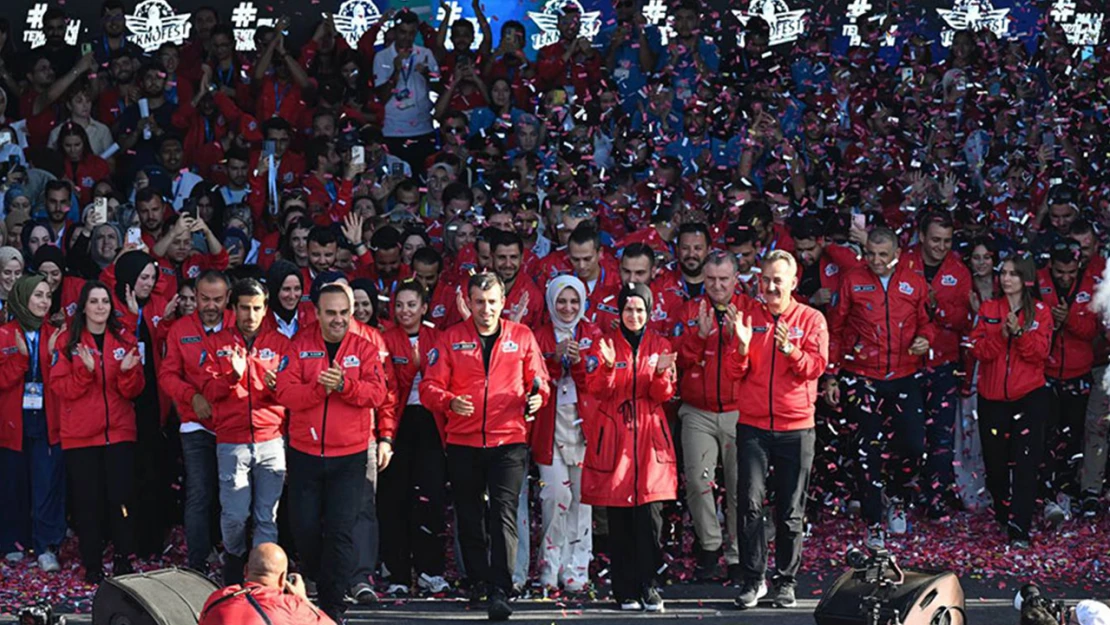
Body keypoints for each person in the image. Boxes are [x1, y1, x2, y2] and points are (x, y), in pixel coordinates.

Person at [421, 273, 550, 621]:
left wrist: (536, 399)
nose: (486, 309)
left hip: (509, 440)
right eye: (479, 302)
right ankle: (477, 580)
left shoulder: (522, 336)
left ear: (503, 302)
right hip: (463, 441)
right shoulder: (451, 338)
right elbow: (429, 388)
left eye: (492, 302)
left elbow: (540, 383)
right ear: (469, 302)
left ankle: (501, 587)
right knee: (469, 514)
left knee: (503, 514)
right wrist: (449, 402)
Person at [276, 282, 389, 622]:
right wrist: (319, 390)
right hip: (305, 452)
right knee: (306, 528)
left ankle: (332, 608)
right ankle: (317, 577)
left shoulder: (366, 347)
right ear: (317, 313)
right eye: (331, 313)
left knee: (341, 531)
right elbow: (285, 392)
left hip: (350, 455)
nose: (338, 320)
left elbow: (377, 394)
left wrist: (344, 386)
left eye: (344, 312)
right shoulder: (299, 344)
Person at [729, 251, 827, 609]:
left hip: (796, 427)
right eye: (765, 279)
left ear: (793, 283)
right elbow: (733, 372)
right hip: (753, 426)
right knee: (750, 503)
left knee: (790, 511)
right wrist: (740, 346)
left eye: (778, 280)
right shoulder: (747, 317)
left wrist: (790, 350)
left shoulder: (812, 318)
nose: (770, 286)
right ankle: (754, 579)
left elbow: (816, 366)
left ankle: (786, 581)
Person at [827, 227, 934, 547]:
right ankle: (873, 521)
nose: (876, 260)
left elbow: (928, 322)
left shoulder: (914, 281)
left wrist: (925, 339)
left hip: (904, 374)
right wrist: (831, 374)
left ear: (898, 254)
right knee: (866, 447)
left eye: (883, 255)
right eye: (871, 254)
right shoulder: (851, 280)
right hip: (861, 375)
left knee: (914, 445)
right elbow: (835, 327)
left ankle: (898, 498)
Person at [581, 282, 677, 612]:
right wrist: (607, 367)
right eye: (628, 309)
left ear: (649, 313)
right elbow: (596, 388)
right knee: (619, 519)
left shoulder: (659, 344)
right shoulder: (604, 344)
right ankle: (624, 590)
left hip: (650, 439)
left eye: (640, 310)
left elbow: (663, 395)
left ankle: (650, 585)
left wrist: (662, 373)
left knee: (650, 519)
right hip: (615, 438)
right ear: (619, 312)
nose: (633, 315)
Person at [50, 280, 144, 582]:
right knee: (87, 502)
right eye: (94, 301)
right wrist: (85, 371)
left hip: (119, 433)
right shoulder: (68, 341)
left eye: (105, 301)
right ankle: (92, 563)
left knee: (120, 498)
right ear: (84, 307)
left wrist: (128, 372)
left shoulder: (124, 338)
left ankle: (121, 558)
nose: (101, 307)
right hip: (80, 437)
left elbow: (134, 390)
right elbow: (61, 387)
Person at [200, 278, 292, 585]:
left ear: (266, 309)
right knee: (235, 515)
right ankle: (235, 564)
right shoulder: (217, 344)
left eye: (256, 308)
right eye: (243, 308)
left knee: (267, 516)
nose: (250, 315)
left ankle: (264, 577)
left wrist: (279, 388)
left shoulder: (280, 344)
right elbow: (209, 391)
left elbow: (294, 393)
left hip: (271, 439)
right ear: (233, 308)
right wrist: (232, 376)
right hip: (233, 441)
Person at [673, 250, 749, 582]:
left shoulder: (750, 311)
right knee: (698, 481)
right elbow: (678, 361)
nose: (717, 286)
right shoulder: (690, 310)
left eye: (724, 279)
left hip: (738, 409)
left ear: (736, 279)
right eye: (711, 279)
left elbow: (755, 364)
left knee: (737, 486)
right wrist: (699, 336)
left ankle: (735, 554)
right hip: (697, 410)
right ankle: (709, 548)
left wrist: (736, 341)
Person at [969, 255, 1052, 547]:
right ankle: (1004, 513)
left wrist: (1019, 335)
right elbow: (977, 349)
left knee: (1026, 463)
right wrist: (1003, 336)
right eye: (1003, 273)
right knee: (996, 465)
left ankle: (1020, 527)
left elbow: (1041, 353)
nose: (1006, 279)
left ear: (1026, 278)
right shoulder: (989, 308)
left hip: (1029, 397)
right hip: (992, 399)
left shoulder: (1041, 311)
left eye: (1013, 274)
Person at [378, 281, 449, 595]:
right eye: (400, 305)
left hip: (432, 426)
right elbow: (387, 388)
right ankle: (397, 574)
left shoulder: (439, 338)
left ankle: (430, 570)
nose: (405, 311)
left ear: (424, 307)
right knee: (395, 501)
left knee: (430, 499)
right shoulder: (385, 339)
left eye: (411, 305)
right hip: (398, 424)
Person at [158, 270, 232, 573]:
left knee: (234, 495)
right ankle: (197, 563)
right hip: (195, 423)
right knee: (200, 492)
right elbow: (167, 375)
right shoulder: (179, 329)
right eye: (205, 298)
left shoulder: (241, 323)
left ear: (227, 298)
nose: (211, 305)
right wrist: (192, 397)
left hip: (233, 424)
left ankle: (234, 559)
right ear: (195, 297)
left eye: (217, 299)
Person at [531, 275, 599, 592]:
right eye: (561, 301)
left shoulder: (594, 334)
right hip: (550, 425)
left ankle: (577, 568)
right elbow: (533, 379)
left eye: (574, 301)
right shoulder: (539, 337)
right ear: (551, 303)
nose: (568, 308)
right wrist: (555, 360)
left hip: (584, 425)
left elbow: (599, 381)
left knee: (582, 500)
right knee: (554, 495)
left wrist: (580, 362)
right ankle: (549, 566)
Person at [0, 275, 66, 572]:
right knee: (12, 484)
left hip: (47, 420)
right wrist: (21, 360)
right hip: (11, 423)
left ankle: (46, 546)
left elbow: (63, 383)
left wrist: (52, 357)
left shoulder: (56, 334)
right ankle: (13, 542)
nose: (44, 302)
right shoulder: (3, 334)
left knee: (46, 484)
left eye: (48, 296)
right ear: (23, 297)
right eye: (38, 295)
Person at [198, 543, 335, 625]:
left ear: (245, 570)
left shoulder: (217, 598)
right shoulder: (292, 606)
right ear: (283, 578)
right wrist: (303, 600)